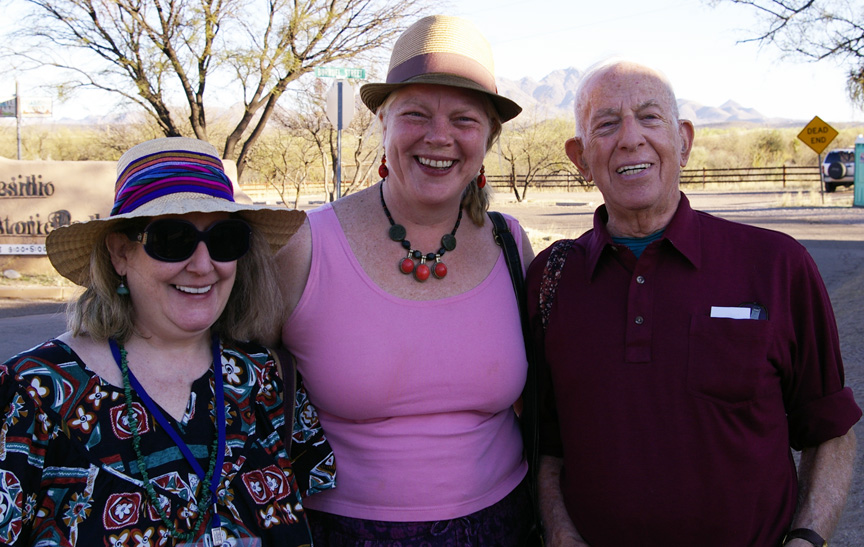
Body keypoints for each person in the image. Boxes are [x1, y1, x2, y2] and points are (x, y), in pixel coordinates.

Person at [526, 60, 862, 547]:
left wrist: (807, 541)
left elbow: (829, 429)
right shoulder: (551, 280)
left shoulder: (776, 263)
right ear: (579, 157)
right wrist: (560, 532)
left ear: (683, 140)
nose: (630, 138)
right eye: (606, 124)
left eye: (649, 117)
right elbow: (547, 445)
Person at [277, 14, 535, 546]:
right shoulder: (306, 245)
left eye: (464, 119)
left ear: (488, 138)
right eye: (415, 114)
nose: (439, 137)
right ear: (383, 124)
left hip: (505, 523)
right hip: (340, 532)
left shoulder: (511, 244)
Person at [0, 137, 335, 546]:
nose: (202, 265)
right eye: (173, 240)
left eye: (224, 239)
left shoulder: (266, 379)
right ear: (120, 253)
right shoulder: (33, 393)